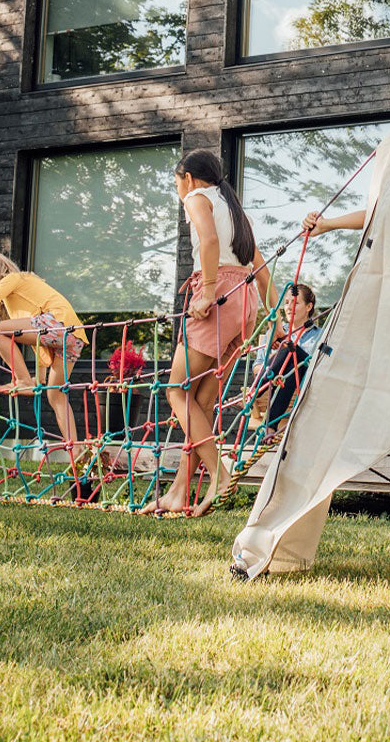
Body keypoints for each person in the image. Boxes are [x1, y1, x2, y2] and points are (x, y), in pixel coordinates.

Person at [145, 149, 278, 517]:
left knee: (175, 390)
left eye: (177, 182)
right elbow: (258, 263)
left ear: (187, 177)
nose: (178, 190)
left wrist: (206, 291)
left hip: (218, 297)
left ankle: (220, 473)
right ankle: (178, 493)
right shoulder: (234, 210)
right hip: (245, 301)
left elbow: (209, 242)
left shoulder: (197, 198)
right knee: (200, 403)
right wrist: (275, 315)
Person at [0, 254, 90, 468]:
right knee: (55, 395)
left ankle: (22, 379)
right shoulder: (27, 293)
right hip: (73, 337)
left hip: (56, 324)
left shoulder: (13, 279)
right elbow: (39, 342)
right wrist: (38, 379)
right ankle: (76, 450)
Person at [250, 283, 321, 432]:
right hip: (275, 384)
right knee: (287, 357)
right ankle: (270, 427)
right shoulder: (274, 334)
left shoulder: (321, 335)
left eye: (295, 303)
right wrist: (274, 361)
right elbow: (257, 366)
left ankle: (253, 394)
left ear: (309, 307)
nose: (288, 307)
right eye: (286, 303)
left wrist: (286, 355)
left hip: (307, 390)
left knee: (291, 351)